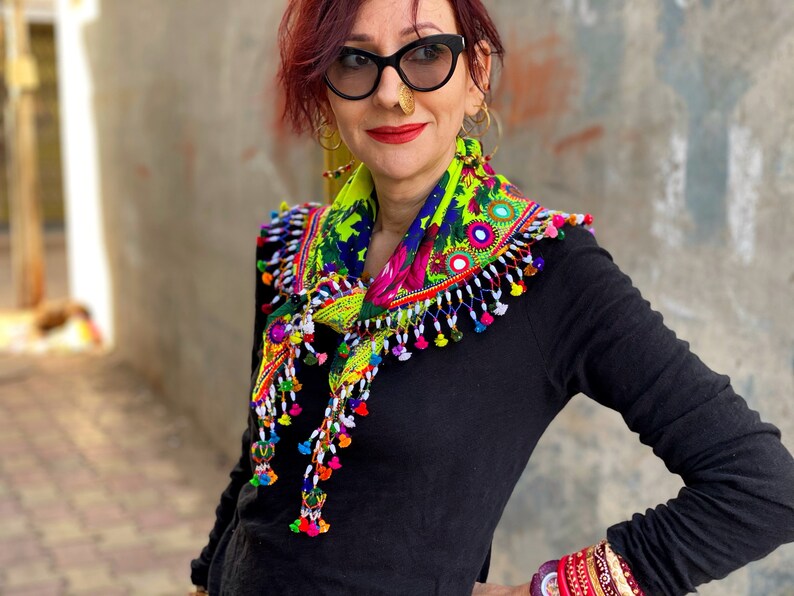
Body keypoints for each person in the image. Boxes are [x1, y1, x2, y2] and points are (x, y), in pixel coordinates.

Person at [190, 0, 794, 594]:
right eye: (354, 60)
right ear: (326, 90)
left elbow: (761, 487)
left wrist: (551, 593)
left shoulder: (544, 268)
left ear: (476, 75)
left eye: (426, 53)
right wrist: (205, 575)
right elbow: (259, 460)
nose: (390, 93)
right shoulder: (290, 247)